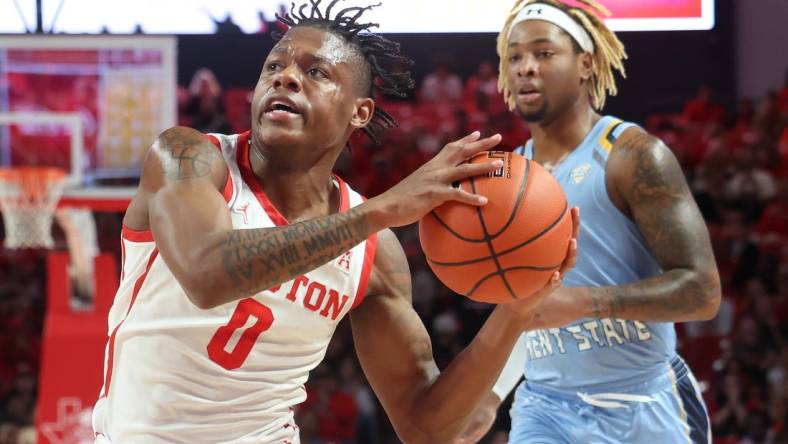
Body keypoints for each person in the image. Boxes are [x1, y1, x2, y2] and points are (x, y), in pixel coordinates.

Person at [90, 1, 579, 443]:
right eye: (273, 67)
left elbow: (425, 426)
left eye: (316, 71)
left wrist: (513, 315)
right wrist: (380, 210)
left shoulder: (375, 253)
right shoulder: (188, 156)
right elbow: (207, 274)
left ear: (359, 111)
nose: (284, 78)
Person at [456, 1, 721, 443]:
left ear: (585, 64)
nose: (525, 68)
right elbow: (528, 314)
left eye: (543, 53)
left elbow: (702, 292)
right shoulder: (508, 178)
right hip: (545, 408)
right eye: (515, 56)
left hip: (646, 403)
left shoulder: (631, 155)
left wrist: (586, 303)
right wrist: (493, 393)